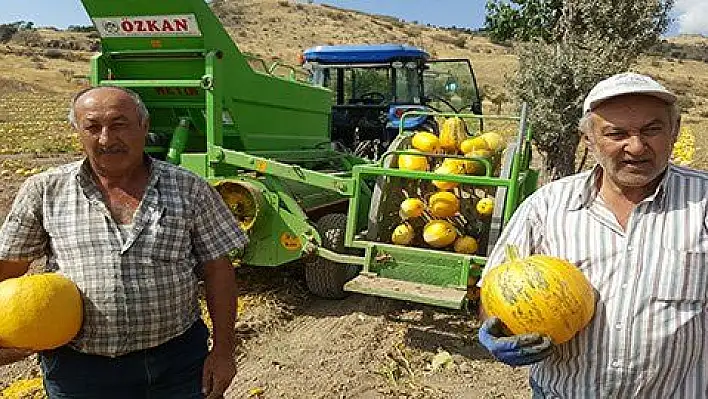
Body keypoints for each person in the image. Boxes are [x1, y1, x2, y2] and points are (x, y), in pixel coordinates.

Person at [0, 86, 249, 398]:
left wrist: (224, 351)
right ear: (77, 131)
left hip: (179, 364)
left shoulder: (189, 188)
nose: (106, 139)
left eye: (119, 125)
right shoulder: (44, 190)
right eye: (92, 127)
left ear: (144, 127)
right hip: (78, 371)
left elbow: (218, 270)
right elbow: (7, 267)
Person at [477, 72, 708, 397]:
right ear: (588, 139)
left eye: (651, 130)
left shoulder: (704, 201)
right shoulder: (547, 206)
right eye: (617, 133)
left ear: (675, 131)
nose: (637, 146)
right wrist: (499, 330)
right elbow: (493, 292)